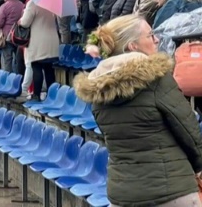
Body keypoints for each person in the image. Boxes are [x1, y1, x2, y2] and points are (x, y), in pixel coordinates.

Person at [75, 14, 202, 207]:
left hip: (123, 193)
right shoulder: (157, 79)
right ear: (133, 46)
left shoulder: (98, 90)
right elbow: (187, 129)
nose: (157, 39)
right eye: (150, 35)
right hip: (170, 190)